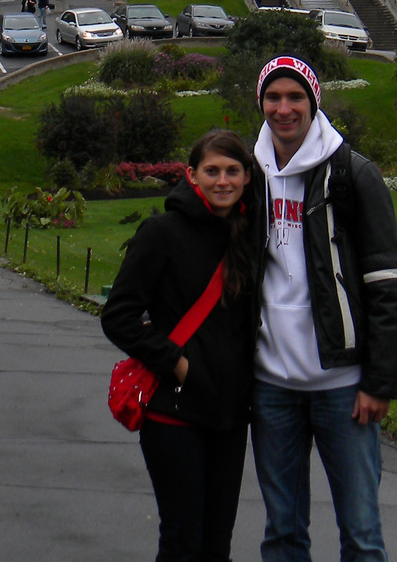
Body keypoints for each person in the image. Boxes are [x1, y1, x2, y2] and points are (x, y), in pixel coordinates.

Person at [250, 57, 397, 562]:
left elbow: (387, 285)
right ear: (261, 103)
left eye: (295, 97)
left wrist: (378, 382)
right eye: (273, 97)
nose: (284, 108)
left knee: (361, 534)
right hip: (271, 385)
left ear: (314, 102)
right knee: (282, 533)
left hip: (342, 388)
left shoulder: (353, 173)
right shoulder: (249, 172)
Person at [102, 131, 259, 562]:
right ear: (191, 175)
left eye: (232, 171)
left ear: (248, 177)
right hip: (174, 412)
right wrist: (177, 364)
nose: (222, 181)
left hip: (230, 416)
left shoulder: (248, 238)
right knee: (182, 541)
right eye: (212, 171)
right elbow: (118, 316)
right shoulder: (162, 233)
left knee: (216, 545)